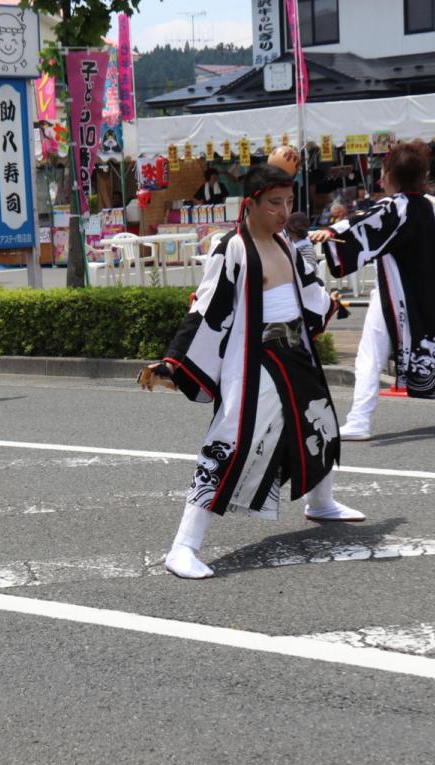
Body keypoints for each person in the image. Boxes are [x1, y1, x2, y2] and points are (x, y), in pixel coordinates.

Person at [139, 160, 363, 580]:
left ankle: (320, 503)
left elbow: (307, 288)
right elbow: (207, 305)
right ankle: (182, 546)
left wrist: (328, 305)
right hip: (255, 359)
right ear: (251, 204)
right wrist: (174, 361)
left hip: (296, 351)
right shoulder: (232, 247)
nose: (283, 211)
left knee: (318, 423)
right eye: (274, 203)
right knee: (230, 443)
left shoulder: (285, 242)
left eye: (289, 202)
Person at [311, 139, 435, 440]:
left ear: (390, 176)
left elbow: (361, 222)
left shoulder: (395, 207)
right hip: (430, 292)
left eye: (383, 172)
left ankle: (359, 421)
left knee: (370, 354)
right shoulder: (427, 207)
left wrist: (330, 231)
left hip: (397, 293)